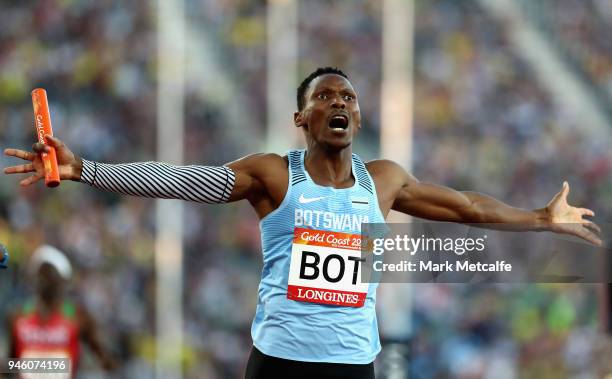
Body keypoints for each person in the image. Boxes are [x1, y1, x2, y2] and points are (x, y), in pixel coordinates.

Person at [4, 67, 601, 379]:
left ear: (358, 118)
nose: (340, 103)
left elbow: (468, 207)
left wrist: (541, 219)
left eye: (348, 98)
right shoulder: (272, 174)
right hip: (280, 362)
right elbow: (185, 180)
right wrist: (88, 169)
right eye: (326, 97)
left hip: (352, 364)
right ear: (302, 116)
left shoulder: (384, 181)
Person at [5, 245, 116, 379]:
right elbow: (10, 366)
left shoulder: (78, 317)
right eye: (39, 273)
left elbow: (106, 361)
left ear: (63, 280)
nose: (43, 279)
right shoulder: (17, 317)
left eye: (49, 274)